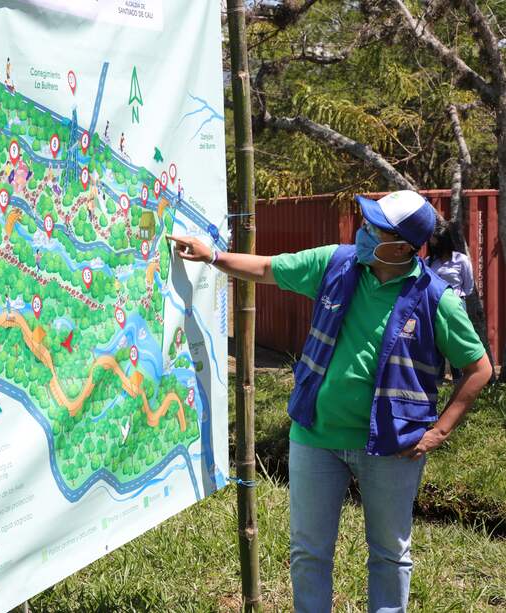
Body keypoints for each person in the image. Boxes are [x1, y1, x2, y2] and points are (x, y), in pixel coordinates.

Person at [169, 190, 492, 613]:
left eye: (374, 229)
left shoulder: (435, 299)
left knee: (390, 553)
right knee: (308, 551)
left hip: (392, 447)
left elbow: (479, 368)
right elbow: (268, 268)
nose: (363, 232)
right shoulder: (337, 264)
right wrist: (213, 257)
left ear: (402, 247)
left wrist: (438, 432)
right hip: (315, 436)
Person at [426, 221, 476, 380]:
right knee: (437, 343)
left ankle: (459, 378)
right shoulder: (429, 262)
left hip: (456, 306)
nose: (433, 244)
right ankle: (438, 380)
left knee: (456, 341)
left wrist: (456, 298)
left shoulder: (461, 260)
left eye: (435, 240)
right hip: (435, 306)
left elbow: (468, 286)